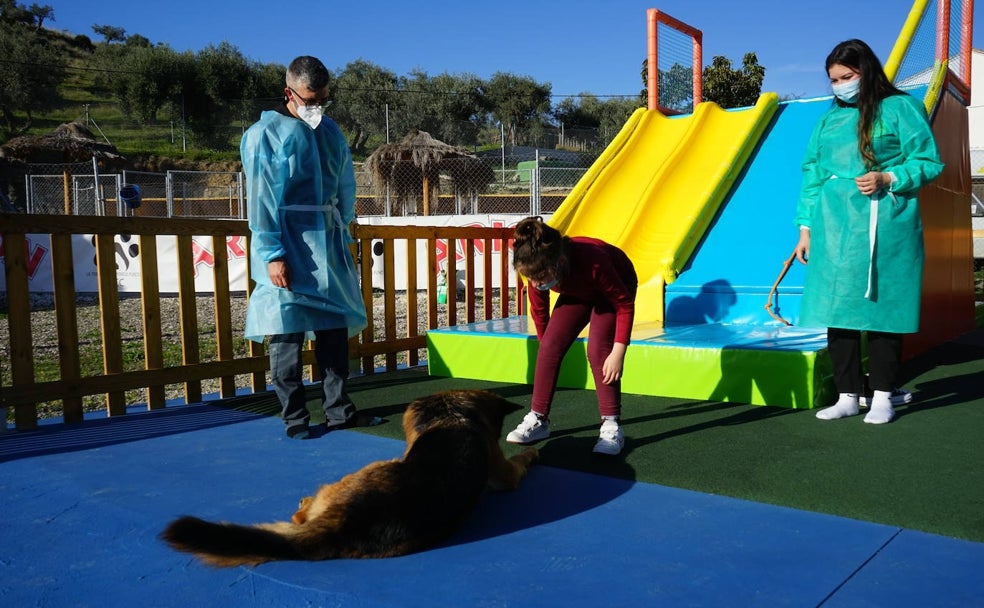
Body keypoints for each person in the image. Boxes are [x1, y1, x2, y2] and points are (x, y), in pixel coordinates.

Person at [794, 39, 943, 425]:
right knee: (836, 306)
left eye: (847, 77)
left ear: (866, 72)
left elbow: (928, 161)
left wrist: (889, 176)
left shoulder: (901, 108)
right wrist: (805, 228)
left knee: (883, 308)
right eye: (834, 80)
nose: (840, 85)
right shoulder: (828, 120)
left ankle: (882, 395)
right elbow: (812, 172)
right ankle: (848, 394)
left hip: (886, 222)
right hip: (834, 225)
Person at [241, 56, 368, 439]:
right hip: (288, 242)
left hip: (327, 241)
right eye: (310, 99)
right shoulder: (265, 135)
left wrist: (345, 227)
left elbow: (345, 182)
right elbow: (261, 199)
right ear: (289, 93)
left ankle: (339, 411)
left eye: (323, 99)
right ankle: (295, 417)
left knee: (333, 330)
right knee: (285, 333)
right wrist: (272, 254)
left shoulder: (329, 132)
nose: (317, 106)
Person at [505, 216, 638, 455]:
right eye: (531, 278)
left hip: (615, 285)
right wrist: (549, 350)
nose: (537, 283)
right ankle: (538, 419)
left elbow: (624, 305)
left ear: (559, 262)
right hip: (578, 290)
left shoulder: (593, 261)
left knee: (598, 351)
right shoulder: (535, 267)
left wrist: (619, 351)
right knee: (548, 347)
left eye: (541, 277)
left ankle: (611, 425)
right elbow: (539, 312)